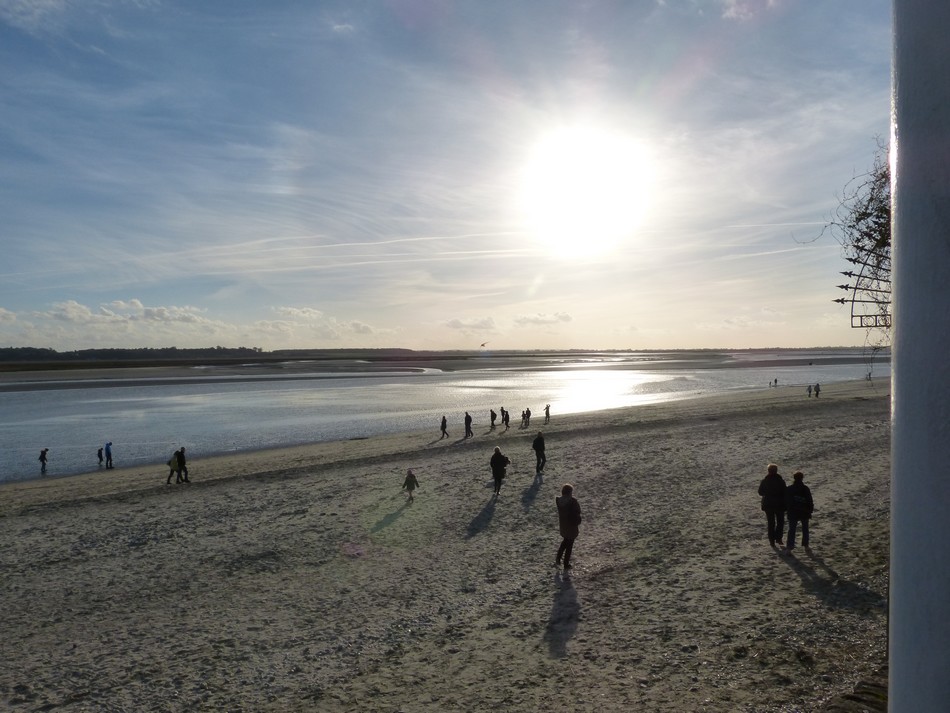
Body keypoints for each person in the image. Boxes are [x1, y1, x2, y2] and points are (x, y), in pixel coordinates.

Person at [784, 471, 814, 553]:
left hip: (793, 511)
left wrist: (787, 509)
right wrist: (810, 510)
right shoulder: (805, 488)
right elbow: (809, 501)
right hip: (804, 511)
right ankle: (806, 546)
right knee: (805, 529)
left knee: (792, 530)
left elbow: (787, 501)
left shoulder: (789, 489)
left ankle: (789, 547)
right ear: (802, 478)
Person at [758, 464, 787, 547]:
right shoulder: (780, 481)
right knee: (780, 522)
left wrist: (767, 493)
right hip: (779, 504)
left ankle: (772, 541)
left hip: (768, 504)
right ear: (776, 471)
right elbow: (785, 492)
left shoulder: (765, 481)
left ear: (768, 471)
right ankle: (778, 538)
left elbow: (760, 492)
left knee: (771, 523)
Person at [555, 483, 582, 570]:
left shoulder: (559, 501)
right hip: (571, 526)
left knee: (565, 542)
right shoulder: (572, 501)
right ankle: (566, 564)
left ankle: (558, 558)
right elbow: (578, 511)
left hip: (563, 525)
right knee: (569, 545)